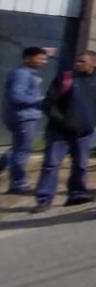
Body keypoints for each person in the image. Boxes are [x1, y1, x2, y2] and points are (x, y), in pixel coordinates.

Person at [33, 50, 96, 211]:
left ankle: (76, 194)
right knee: (51, 164)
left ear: (93, 63)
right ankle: (44, 199)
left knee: (80, 164)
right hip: (59, 130)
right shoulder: (66, 78)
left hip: (85, 131)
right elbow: (49, 103)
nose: (78, 64)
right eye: (77, 61)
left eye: (82, 61)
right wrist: (62, 120)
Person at [4, 46, 49, 194]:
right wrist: (41, 99)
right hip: (24, 117)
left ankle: (6, 167)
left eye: (45, 58)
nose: (44, 61)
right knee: (22, 150)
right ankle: (18, 184)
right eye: (40, 58)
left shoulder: (28, 74)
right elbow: (17, 97)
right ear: (27, 58)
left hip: (25, 116)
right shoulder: (22, 74)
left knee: (18, 148)